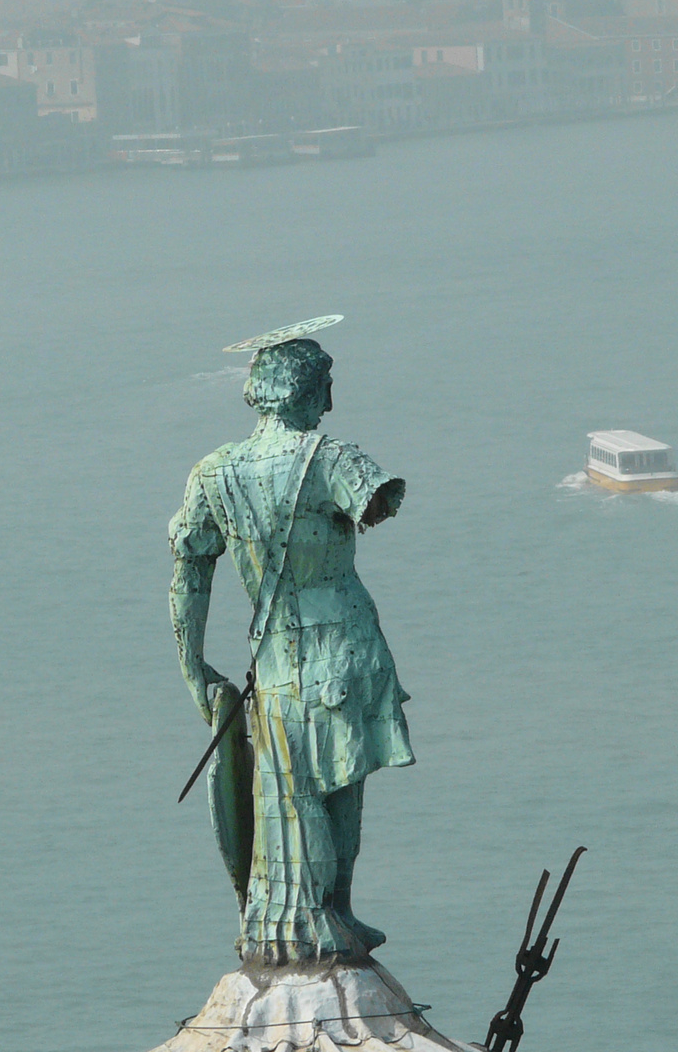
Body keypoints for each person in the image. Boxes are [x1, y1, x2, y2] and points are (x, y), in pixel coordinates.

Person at [169, 333, 415, 965]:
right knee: (341, 783)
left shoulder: (213, 471)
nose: (330, 404)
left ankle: (303, 914)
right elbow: (380, 502)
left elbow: (189, 572)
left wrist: (193, 666)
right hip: (343, 644)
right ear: (305, 390)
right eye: (326, 387)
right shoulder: (331, 458)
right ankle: (331, 910)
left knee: (289, 784)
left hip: (275, 653)